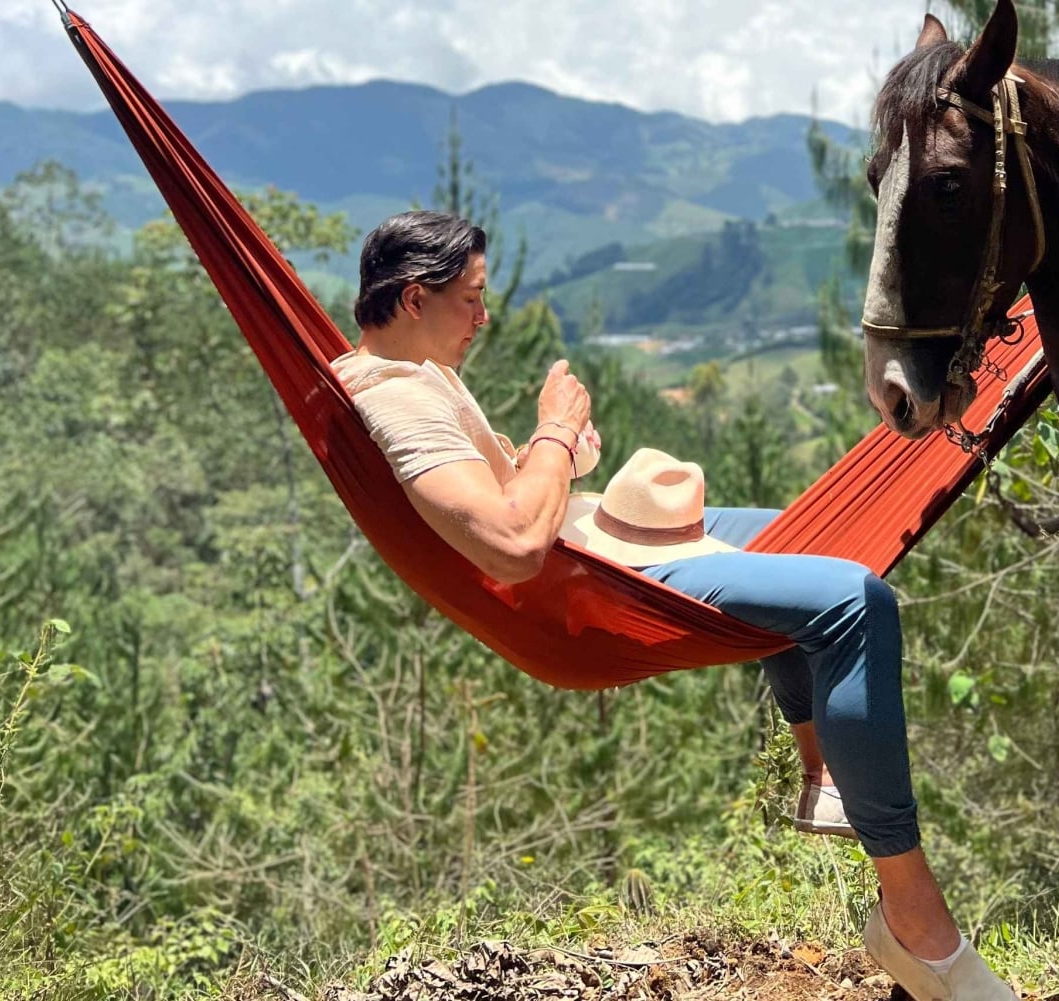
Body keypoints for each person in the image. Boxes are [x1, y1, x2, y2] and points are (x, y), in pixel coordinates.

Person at [331, 210, 1013, 1001]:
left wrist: (547, 457)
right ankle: (918, 926)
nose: (484, 318)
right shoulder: (399, 400)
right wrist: (556, 430)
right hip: (588, 586)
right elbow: (512, 544)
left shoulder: (410, 371)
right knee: (854, 601)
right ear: (414, 299)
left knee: (815, 541)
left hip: (591, 546)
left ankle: (825, 771)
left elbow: (491, 495)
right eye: (472, 300)